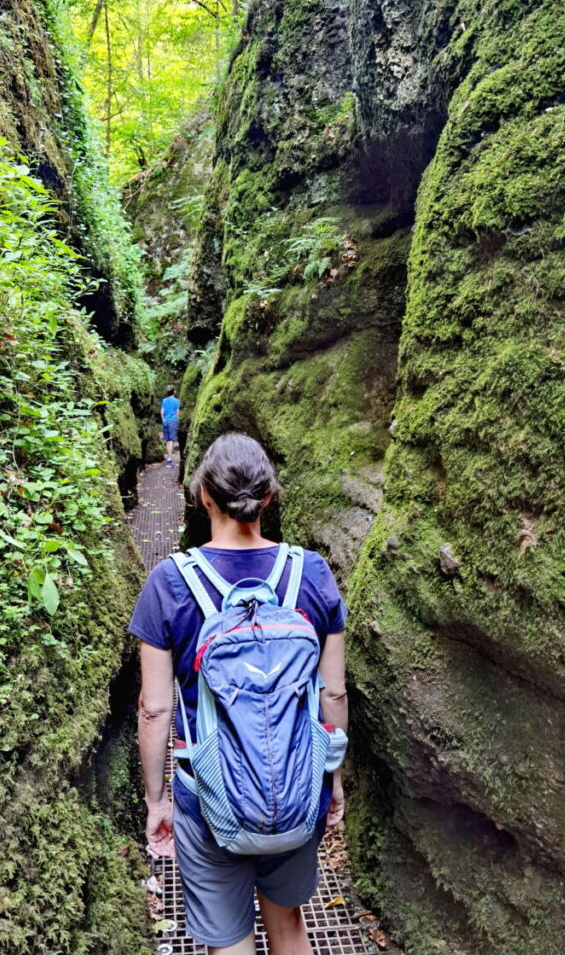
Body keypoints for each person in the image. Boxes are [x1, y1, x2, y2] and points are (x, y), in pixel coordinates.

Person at [129, 432, 348, 955]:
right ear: (268, 496)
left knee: (227, 941)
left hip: (208, 798)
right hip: (298, 790)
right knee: (289, 921)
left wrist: (157, 801)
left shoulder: (169, 582)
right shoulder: (312, 573)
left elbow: (155, 708)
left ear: (203, 495)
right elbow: (333, 694)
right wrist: (332, 781)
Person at [160, 386, 181, 466]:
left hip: (165, 421)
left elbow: (162, 412)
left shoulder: (164, 400)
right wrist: (177, 421)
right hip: (172, 421)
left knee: (168, 440)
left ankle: (169, 459)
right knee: (171, 440)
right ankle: (169, 461)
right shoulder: (177, 401)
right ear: (174, 392)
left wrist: (163, 420)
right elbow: (177, 412)